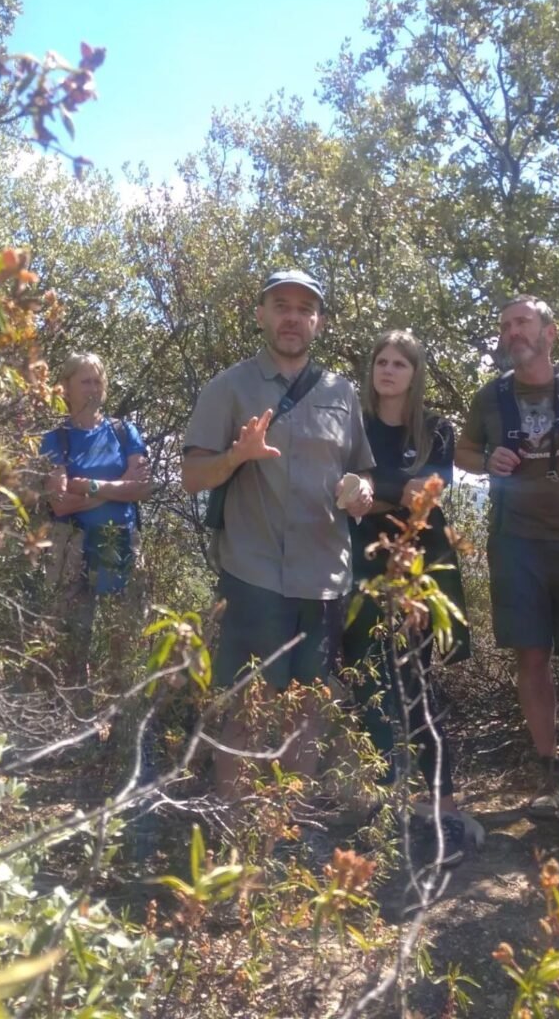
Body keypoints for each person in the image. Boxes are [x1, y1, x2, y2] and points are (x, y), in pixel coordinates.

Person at [182, 268, 375, 810]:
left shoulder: (341, 393)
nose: (293, 317)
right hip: (253, 575)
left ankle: (286, 829)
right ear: (262, 313)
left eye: (304, 309)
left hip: (324, 580)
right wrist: (235, 458)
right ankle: (238, 830)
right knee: (244, 707)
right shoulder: (229, 387)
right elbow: (191, 475)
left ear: (318, 322)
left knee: (306, 709)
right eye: (282, 305)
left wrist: (361, 490)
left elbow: (364, 472)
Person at [454, 294, 559, 816]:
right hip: (515, 542)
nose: (512, 333)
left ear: (549, 333)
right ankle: (547, 768)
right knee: (532, 655)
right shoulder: (491, 396)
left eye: (522, 323)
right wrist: (487, 459)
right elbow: (461, 451)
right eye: (506, 326)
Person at [342, 330, 471, 865]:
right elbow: (343, 491)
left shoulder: (436, 429)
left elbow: (424, 496)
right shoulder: (353, 423)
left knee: (415, 682)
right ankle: (384, 800)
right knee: (367, 679)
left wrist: (373, 496)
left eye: (399, 363)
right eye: (381, 361)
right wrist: (367, 496)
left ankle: (444, 805)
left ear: (414, 373)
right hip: (358, 570)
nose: (388, 370)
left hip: (419, 571)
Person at [41, 352, 153, 703]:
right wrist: (116, 488)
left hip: (120, 541)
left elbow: (143, 487)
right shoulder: (56, 439)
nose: (92, 388)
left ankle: (125, 726)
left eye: (97, 381)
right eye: (84, 381)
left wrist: (87, 487)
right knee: (76, 639)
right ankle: (79, 729)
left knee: (127, 636)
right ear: (67, 388)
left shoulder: (123, 432)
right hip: (72, 546)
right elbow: (59, 502)